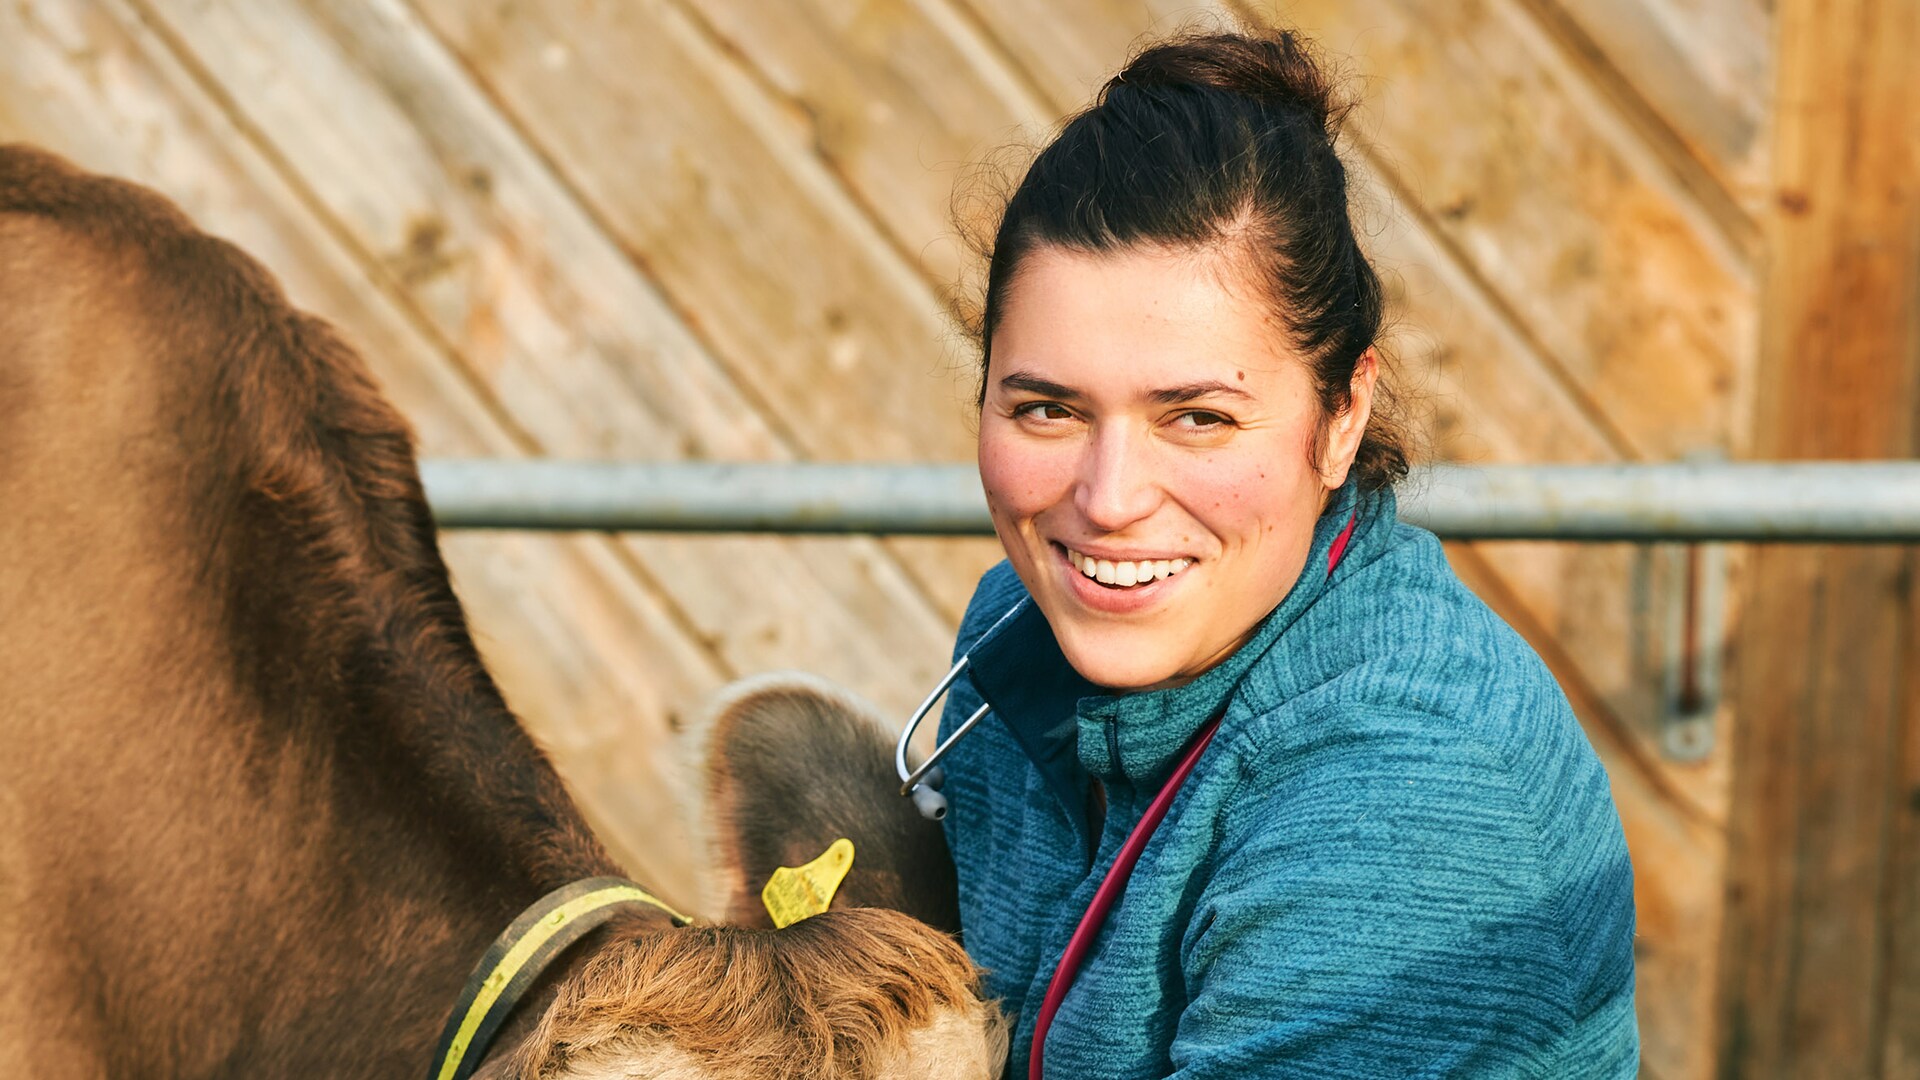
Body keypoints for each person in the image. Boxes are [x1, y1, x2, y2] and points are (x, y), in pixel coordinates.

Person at [934, 25, 1638, 1079]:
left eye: (1199, 418)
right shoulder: (1015, 644)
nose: (1109, 499)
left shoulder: (1415, 790)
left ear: (1342, 414)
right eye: (1046, 409)